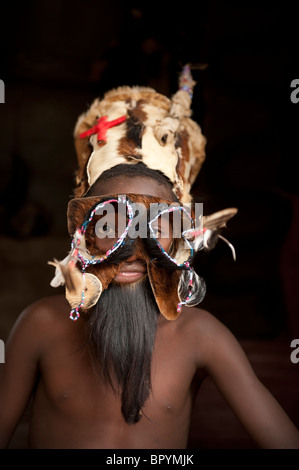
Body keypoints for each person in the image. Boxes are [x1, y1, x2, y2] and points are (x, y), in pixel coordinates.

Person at [1, 66, 299, 450]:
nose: (133, 248)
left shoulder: (200, 335)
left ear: (178, 238)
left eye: (154, 226)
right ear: (85, 232)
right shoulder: (41, 324)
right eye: (112, 222)